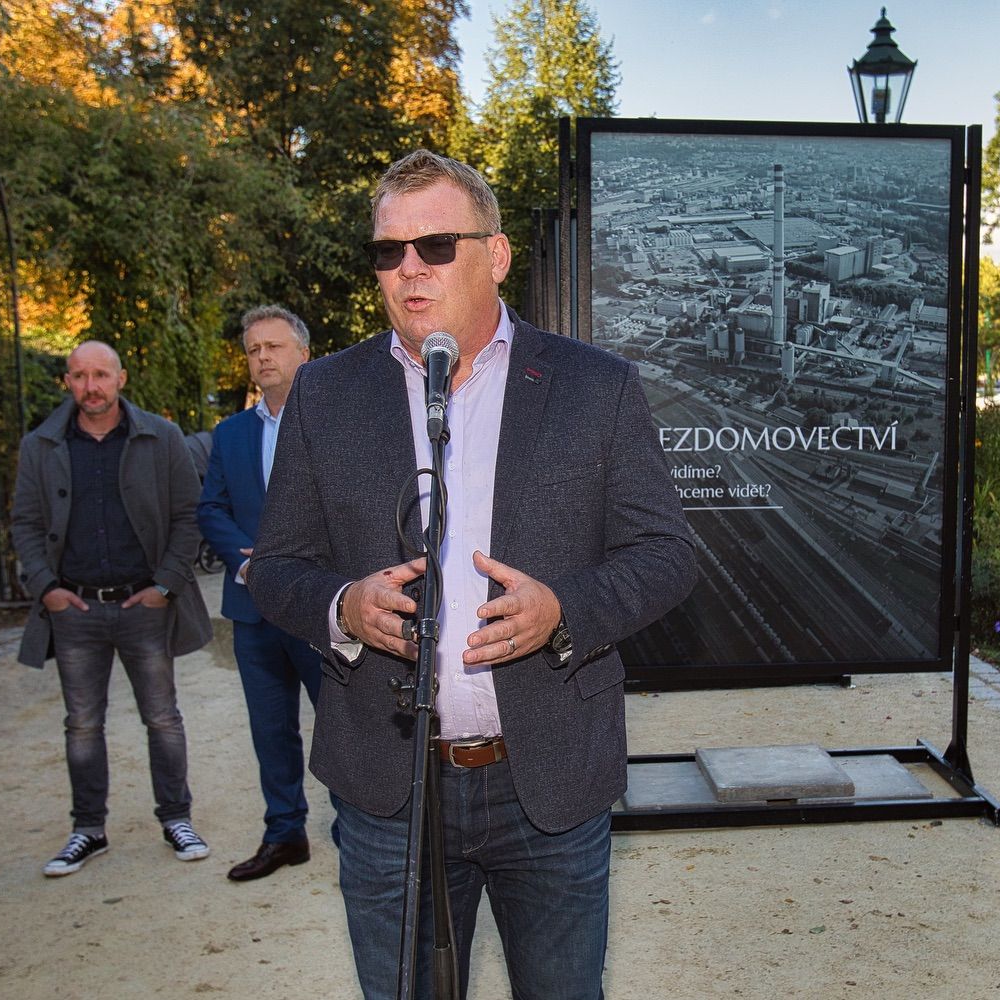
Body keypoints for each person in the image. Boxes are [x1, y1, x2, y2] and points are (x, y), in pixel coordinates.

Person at [248, 149, 696, 999]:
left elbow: (666, 554)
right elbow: (276, 569)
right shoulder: (325, 394)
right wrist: (344, 606)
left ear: (494, 255)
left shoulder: (596, 387)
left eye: (435, 246)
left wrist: (564, 609)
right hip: (387, 788)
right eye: (389, 252)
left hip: (551, 783)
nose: (409, 269)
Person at [12, 340, 214, 876]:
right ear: (68, 382)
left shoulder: (160, 437)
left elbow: (189, 516)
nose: (91, 386)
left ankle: (177, 818)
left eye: (101, 374)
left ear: (121, 378)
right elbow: (26, 526)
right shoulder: (41, 445)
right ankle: (88, 830)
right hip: (73, 608)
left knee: (163, 718)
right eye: (79, 376)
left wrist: (165, 585)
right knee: (81, 724)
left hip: (145, 604)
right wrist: (47, 589)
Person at [197, 305, 322, 881]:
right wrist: (249, 563)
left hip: (320, 606)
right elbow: (211, 509)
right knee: (270, 728)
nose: (263, 357)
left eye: (274, 346)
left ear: (303, 353)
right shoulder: (230, 434)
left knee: (344, 722)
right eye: (254, 350)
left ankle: (358, 822)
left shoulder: (333, 424)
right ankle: (284, 833)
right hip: (251, 611)